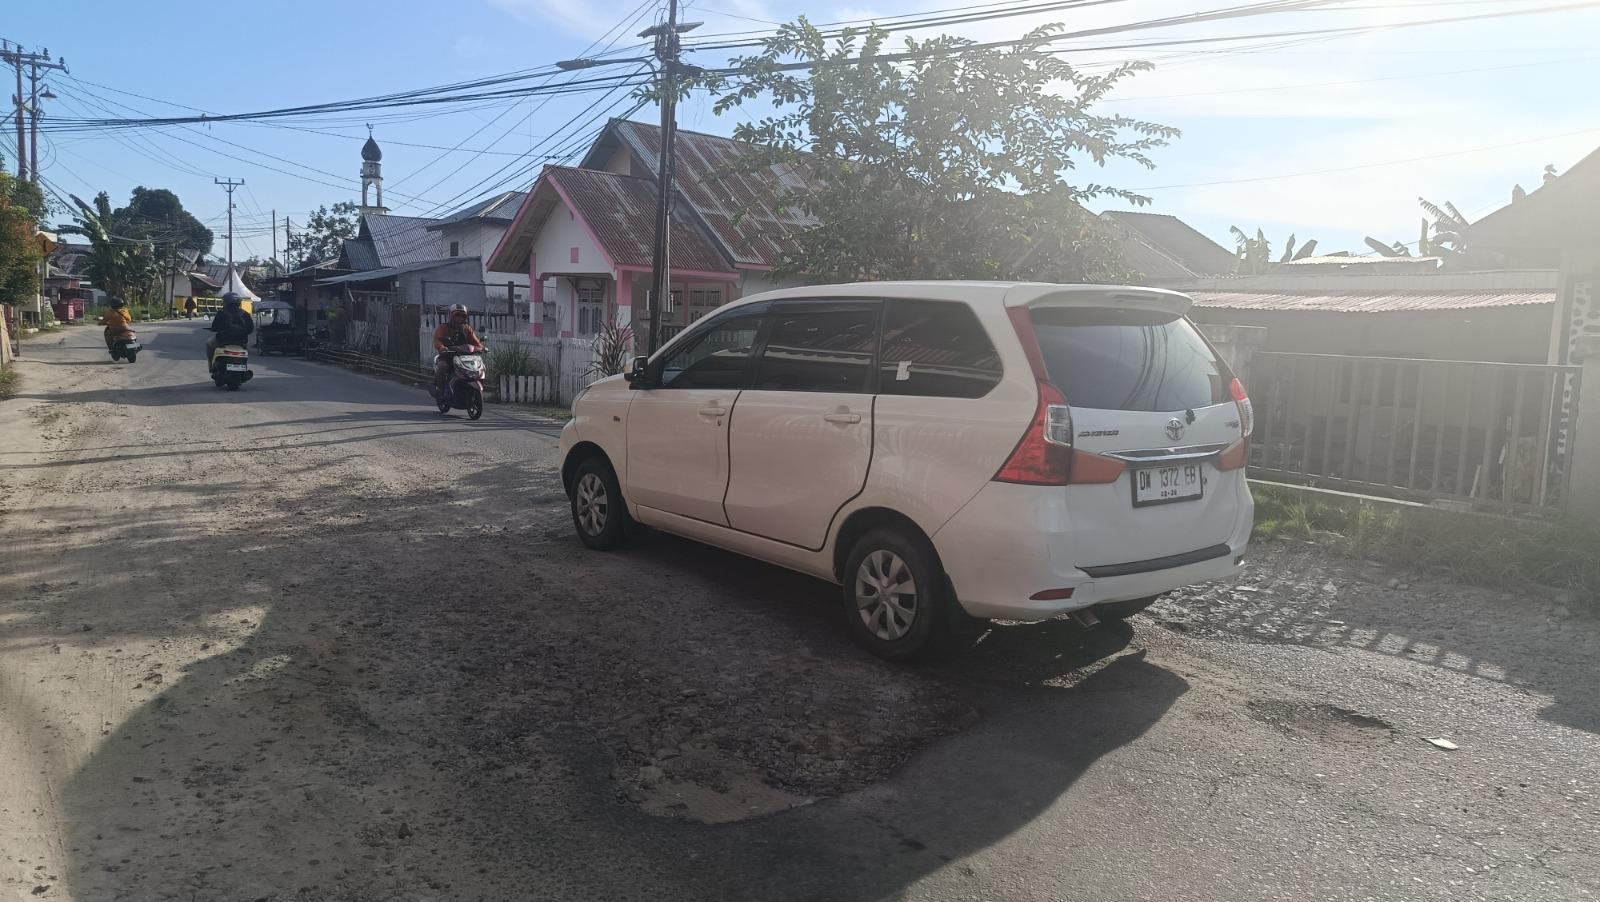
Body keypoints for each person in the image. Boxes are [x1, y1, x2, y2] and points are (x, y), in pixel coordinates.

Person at [431, 304, 483, 391]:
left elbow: (476, 342)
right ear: (451, 316)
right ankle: (440, 390)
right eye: (457, 315)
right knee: (442, 366)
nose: (460, 318)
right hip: (448, 357)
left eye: (463, 316)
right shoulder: (443, 327)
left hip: (465, 358)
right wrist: (442, 347)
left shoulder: (467, 329)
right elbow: (437, 340)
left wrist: (482, 348)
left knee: (481, 367)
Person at [206, 293, 254, 365]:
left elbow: (215, 326)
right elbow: (250, 329)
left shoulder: (221, 313)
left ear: (225, 302)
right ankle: (244, 364)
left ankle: (211, 364)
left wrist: (214, 329)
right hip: (241, 341)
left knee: (209, 343)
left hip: (223, 340)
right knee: (246, 350)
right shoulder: (245, 314)